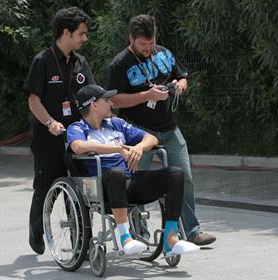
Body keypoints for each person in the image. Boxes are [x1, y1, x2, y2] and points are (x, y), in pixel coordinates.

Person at [106, 14, 216, 245]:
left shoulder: (163, 53)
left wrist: (179, 86)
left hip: (169, 128)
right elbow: (114, 101)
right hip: (138, 131)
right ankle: (138, 232)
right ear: (132, 39)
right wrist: (147, 95)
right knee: (136, 181)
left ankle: (192, 231)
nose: (148, 48)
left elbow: (182, 76)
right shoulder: (119, 64)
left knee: (184, 177)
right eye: (143, 44)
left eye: (151, 43)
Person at [67, 84, 200, 257]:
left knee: (175, 174)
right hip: (103, 189)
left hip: (130, 183)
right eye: (107, 100)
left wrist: (138, 148)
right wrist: (116, 149)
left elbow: (150, 138)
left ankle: (170, 239)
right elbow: (77, 147)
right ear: (94, 105)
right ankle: (125, 238)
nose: (112, 103)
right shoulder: (77, 128)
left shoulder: (116, 123)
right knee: (116, 173)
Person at [23, 7, 94, 255]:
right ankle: (37, 230)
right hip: (48, 138)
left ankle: (80, 242)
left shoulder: (81, 63)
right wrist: (50, 123)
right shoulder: (42, 61)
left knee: (78, 190)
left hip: (75, 138)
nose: (85, 38)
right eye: (82, 33)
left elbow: (90, 99)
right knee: (47, 186)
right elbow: (33, 100)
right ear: (67, 32)